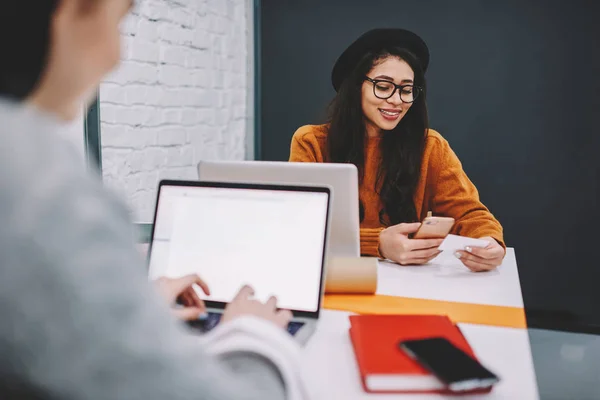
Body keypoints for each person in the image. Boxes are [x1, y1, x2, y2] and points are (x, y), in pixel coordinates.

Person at [0, 0, 307, 399]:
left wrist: (117, 309)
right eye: (120, 20)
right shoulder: (36, 178)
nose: (116, 56)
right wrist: (252, 335)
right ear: (76, 9)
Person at [290, 28, 505, 272]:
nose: (396, 100)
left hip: (410, 281)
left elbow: (471, 214)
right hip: (335, 277)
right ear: (355, 86)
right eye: (383, 86)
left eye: (406, 89)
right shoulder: (312, 142)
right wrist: (378, 243)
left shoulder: (430, 147)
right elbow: (301, 225)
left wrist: (490, 242)